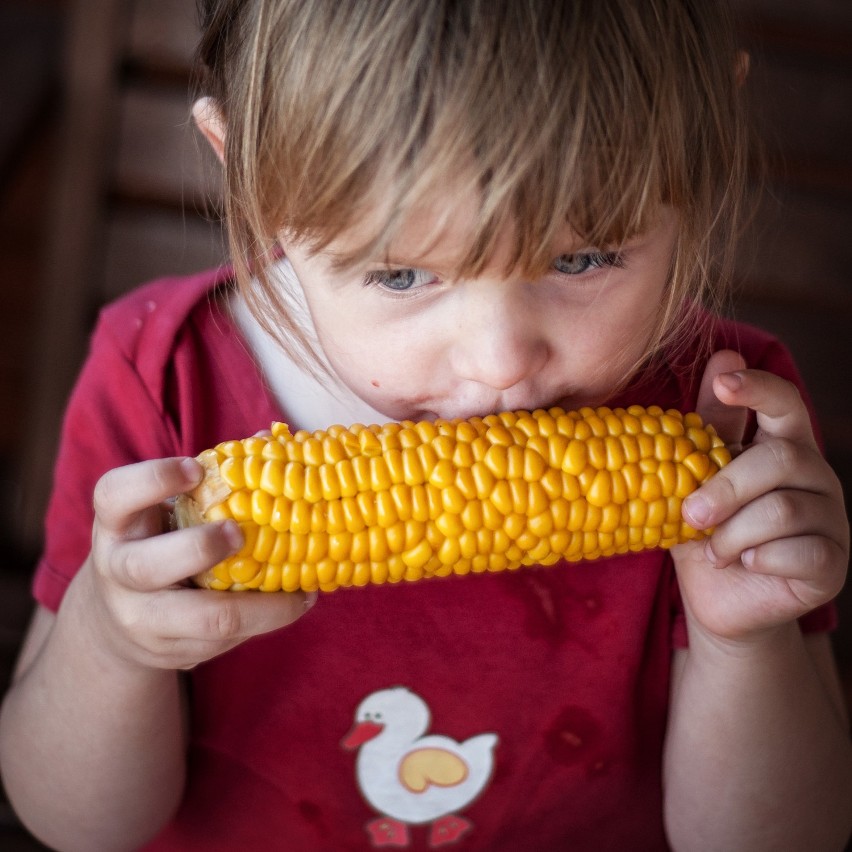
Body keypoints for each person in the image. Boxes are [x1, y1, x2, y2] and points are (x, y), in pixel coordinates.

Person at [1, 1, 850, 849]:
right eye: (402, 274)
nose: (500, 360)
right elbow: (77, 827)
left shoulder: (731, 419)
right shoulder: (159, 384)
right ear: (251, 181)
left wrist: (747, 643)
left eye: (583, 258)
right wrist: (111, 648)